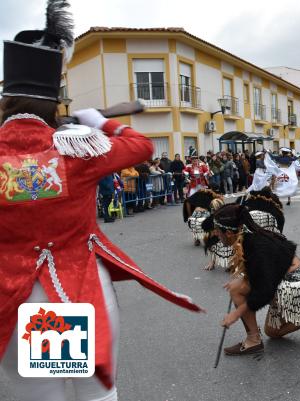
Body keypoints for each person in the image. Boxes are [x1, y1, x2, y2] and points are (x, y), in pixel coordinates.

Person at [0, 4, 201, 399]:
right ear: (54, 99)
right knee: (94, 396)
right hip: (72, 287)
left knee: (41, 397)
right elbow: (141, 146)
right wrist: (99, 120)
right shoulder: (75, 149)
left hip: (13, 292)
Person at [202, 204, 300, 355]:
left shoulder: (254, 245)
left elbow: (264, 291)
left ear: (229, 233)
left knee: (237, 290)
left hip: (292, 284)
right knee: (272, 332)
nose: (215, 233)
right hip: (295, 279)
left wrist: (235, 314)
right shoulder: (250, 234)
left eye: (217, 230)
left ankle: (253, 341)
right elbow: (264, 270)